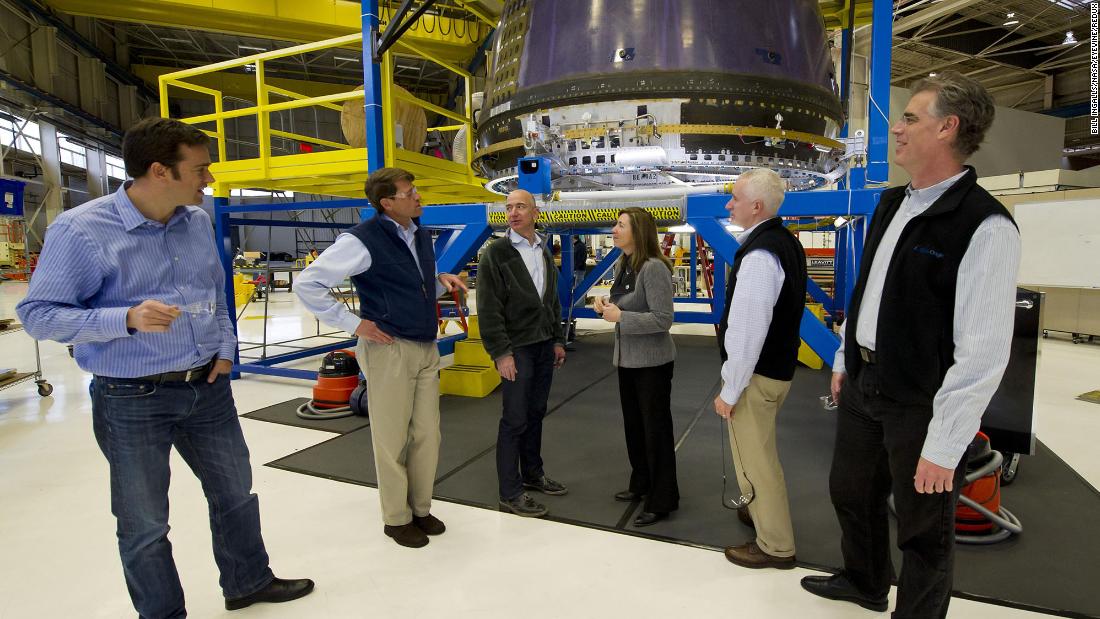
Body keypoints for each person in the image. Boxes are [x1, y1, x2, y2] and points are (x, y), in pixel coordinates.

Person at [15, 117, 313, 618]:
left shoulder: (196, 220)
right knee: (145, 520)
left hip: (207, 389)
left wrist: (225, 349)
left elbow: (214, 295)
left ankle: (247, 581)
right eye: (200, 169)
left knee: (236, 492)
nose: (210, 179)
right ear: (159, 170)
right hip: (130, 398)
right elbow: (38, 315)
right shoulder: (82, 230)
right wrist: (124, 318)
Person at [800, 71, 1020, 617]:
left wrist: (946, 443)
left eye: (910, 118)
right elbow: (867, 287)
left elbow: (985, 350)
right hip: (863, 381)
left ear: (947, 128)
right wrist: (842, 356)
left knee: (924, 528)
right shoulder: (892, 203)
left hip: (919, 398)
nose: (896, 128)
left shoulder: (984, 225)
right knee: (851, 492)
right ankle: (865, 581)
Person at [294, 167, 466, 548]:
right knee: (390, 439)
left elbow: (411, 275)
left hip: (423, 346)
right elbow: (308, 284)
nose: (418, 196)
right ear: (387, 203)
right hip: (388, 348)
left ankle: (420, 508)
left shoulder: (418, 232)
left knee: (427, 434)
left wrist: (440, 279)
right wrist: (354, 324)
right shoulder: (361, 240)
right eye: (410, 192)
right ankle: (396, 517)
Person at [712, 168, 806, 569]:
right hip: (777, 370)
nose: (728, 204)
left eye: (734, 198)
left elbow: (748, 331)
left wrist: (730, 391)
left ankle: (775, 545)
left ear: (756, 206)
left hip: (756, 376)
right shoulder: (785, 243)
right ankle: (755, 511)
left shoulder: (761, 255)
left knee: (757, 460)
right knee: (755, 453)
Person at [476, 189, 568, 518]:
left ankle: (532, 474)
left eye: (520, 207)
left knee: (535, 413)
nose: (513, 212)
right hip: (516, 348)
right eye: (509, 207)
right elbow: (488, 309)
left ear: (535, 212)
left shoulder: (542, 249)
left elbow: (551, 300)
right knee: (514, 419)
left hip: (543, 345)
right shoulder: (496, 254)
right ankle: (510, 492)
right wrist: (501, 353)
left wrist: (557, 339)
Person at [594, 208, 679, 527]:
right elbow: (625, 303)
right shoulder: (624, 264)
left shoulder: (654, 268)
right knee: (635, 427)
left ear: (638, 232)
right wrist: (605, 304)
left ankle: (662, 499)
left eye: (620, 225)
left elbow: (663, 319)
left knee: (655, 431)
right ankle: (641, 483)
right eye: (615, 223)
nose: (614, 229)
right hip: (627, 360)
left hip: (652, 364)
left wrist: (621, 318)